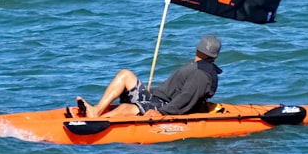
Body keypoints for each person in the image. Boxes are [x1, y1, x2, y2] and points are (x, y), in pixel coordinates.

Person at [77, 34, 222, 119]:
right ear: (214, 56)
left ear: (197, 49)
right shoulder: (199, 69)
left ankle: (98, 122)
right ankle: (97, 110)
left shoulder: (201, 75)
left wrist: (161, 112)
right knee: (125, 75)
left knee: (127, 108)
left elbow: (186, 98)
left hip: (163, 105)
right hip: (154, 99)